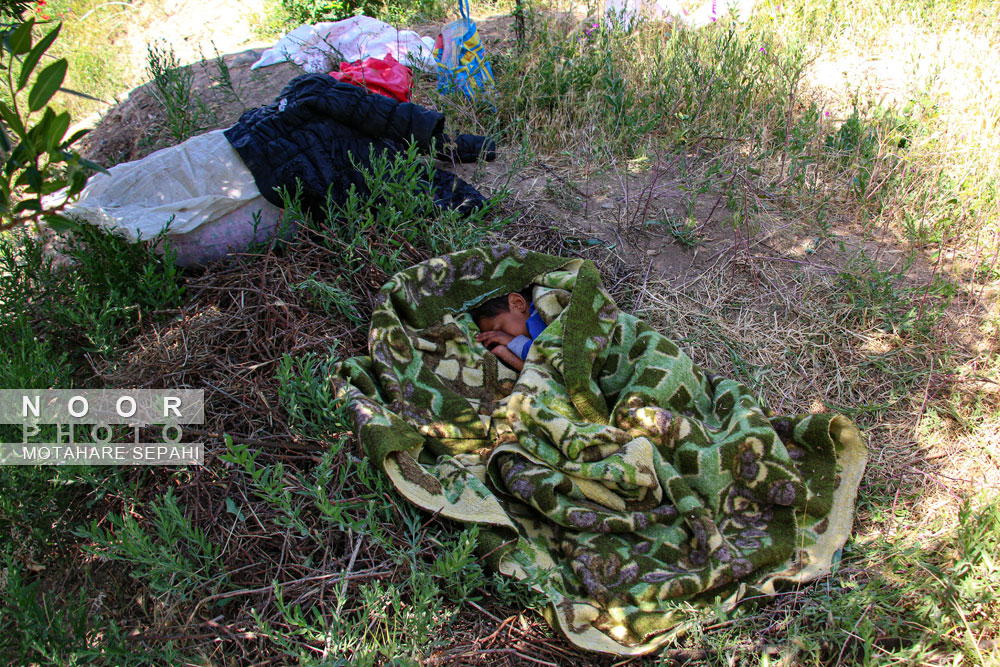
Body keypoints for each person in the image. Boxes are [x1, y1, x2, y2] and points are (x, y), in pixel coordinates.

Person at [471, 286, 546, 373]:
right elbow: (549, 373)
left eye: (500, 332)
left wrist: (513, 341)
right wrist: (505, 353)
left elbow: (547, 355)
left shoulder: (537, 316)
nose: (502, 340)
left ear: (517, 303)